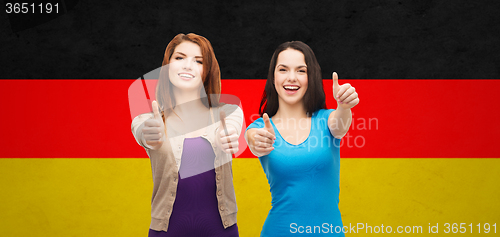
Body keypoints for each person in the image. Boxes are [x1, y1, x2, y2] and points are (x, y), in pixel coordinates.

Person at [131, 33, 242, 237]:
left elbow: (232, 130)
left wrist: (227, 137)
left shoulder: (229, 112)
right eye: (180, 58)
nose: (187, 65)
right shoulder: (146, 119)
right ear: (167, 66)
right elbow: (142, 132)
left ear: (208, 71)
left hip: (222, 231)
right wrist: (150, 133)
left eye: (198, 61)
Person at [245, 41, 359, 236]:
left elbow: (340, 126)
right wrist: (258, 142)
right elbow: (254, 140)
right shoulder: (259, 128)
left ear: (310, 77)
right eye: (283, 70)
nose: (291, 78)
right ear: (273, 77)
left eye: (301, 71)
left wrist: (344, 105)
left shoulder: (327, 120)